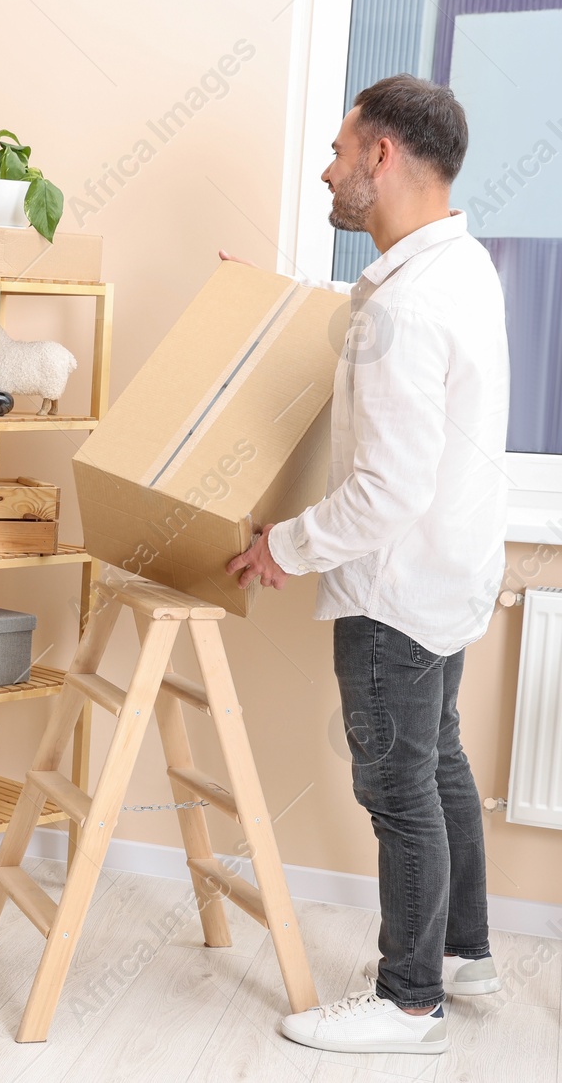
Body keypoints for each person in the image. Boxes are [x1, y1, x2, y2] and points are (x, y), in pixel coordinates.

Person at [224, 75, 509, 1055]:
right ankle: (464, 954)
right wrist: (263, 304)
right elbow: (375, 345)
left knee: (399, 792)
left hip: (394, 591)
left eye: (340, 151)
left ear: (380, 158)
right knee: (438, 767)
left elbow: (384, 489)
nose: (327, 168)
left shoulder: (407, 306)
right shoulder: (453, 270)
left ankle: (409, 1000)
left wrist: (281, 546)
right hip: (450, 576)